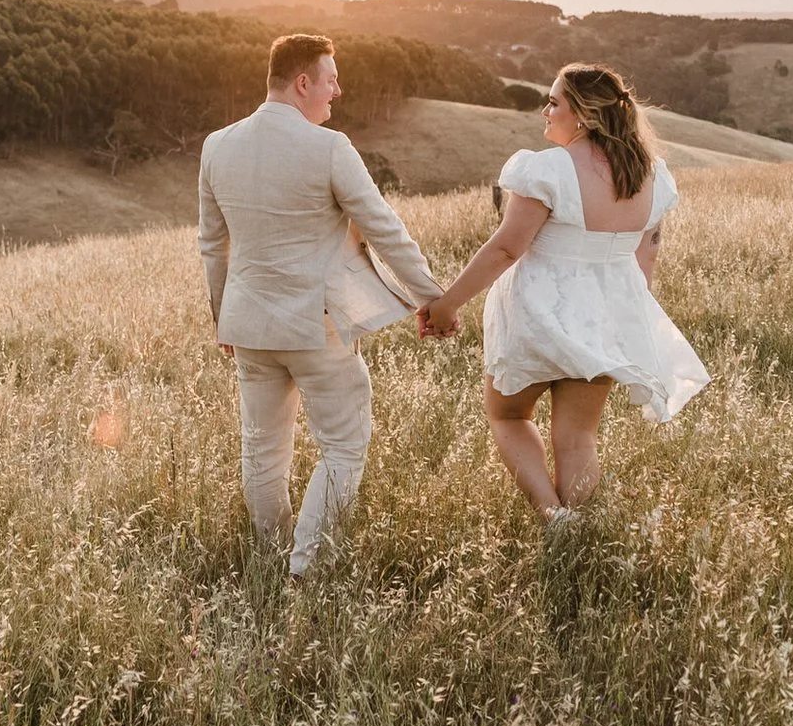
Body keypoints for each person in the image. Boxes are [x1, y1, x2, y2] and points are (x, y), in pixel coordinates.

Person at [417, 63, 709, 525]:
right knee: (578, 438)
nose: (545, 109)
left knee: (509, 416)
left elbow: (509, 246)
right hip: (603, 319)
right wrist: (625, 323)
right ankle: (576, 528)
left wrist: (448, 302)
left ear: (586, 115)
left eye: (554, 102)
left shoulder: (547, 168)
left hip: (537, 314)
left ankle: (551, 515)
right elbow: (645, 259)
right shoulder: (651, 175)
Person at [198, 33, 444, 577]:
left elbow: (213, 245)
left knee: (262, 451)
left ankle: (271, 557)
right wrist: (432, 297)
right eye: (330, 79)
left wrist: (223, 318)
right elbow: (385, 229)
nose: (338, 90)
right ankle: (304, 570)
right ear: (302, 82)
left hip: (249, 326)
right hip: (317, 326)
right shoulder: (329, 147)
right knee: (344, 444)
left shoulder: (217, 145)